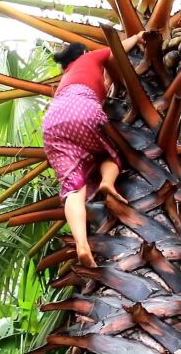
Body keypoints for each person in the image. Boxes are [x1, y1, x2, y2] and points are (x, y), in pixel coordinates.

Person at [42, 32, 146, 267]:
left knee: (72, 188)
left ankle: (81, 243)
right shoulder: (89, 58)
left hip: (52, 123)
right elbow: (116, 50)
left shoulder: (65, 79)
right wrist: (138, 36)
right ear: (84, 53)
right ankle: (107, 182)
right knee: (111, 153)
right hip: (82, 110)